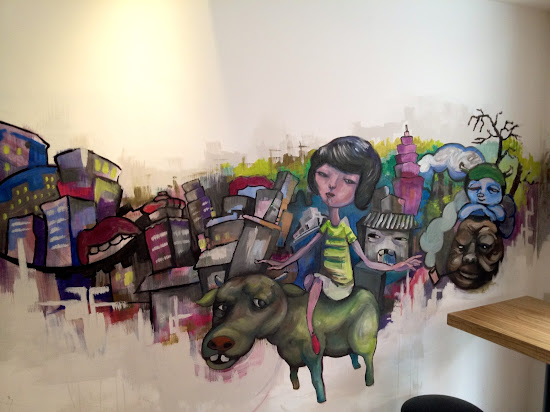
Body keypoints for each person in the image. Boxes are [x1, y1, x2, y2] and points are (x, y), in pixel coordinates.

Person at [260, 136, 421, 354]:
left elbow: (366, 260)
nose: (333, 185)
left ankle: (311, 330)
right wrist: (282, 264)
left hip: (342, 284)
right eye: (324, 175)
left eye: (348, 181)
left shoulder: (345, 230)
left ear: (360, 189)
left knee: (316, 281)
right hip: (327, 279)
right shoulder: (326, 226)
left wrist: (395, 266)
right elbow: (306, 248)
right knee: (309, 281)